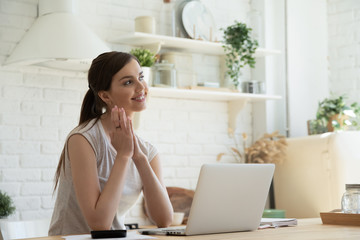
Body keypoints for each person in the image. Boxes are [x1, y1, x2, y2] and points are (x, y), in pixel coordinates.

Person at [48, 51, 173, 235]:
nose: (141, 87)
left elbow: (164, 220)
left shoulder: (147, 150)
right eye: (128, 82)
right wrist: (123, 155)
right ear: (105, 96)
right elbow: (99, 224)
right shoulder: (83, 139)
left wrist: (139, 158)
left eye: (141, 77)